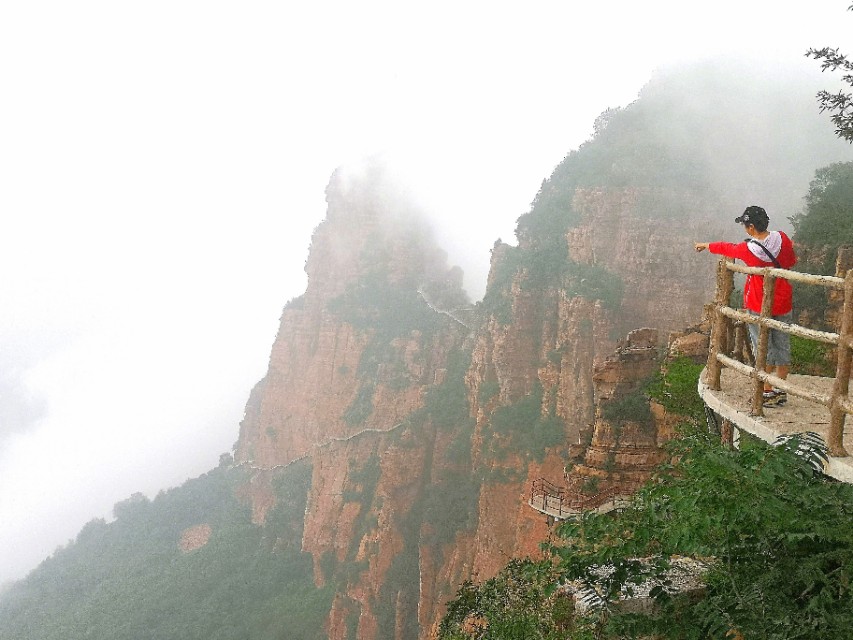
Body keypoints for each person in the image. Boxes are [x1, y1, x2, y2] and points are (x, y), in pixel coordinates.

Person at [694, 205, 797, 407]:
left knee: (763, 347)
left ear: (750, 227)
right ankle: (780, 390)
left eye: (745, 226)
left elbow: (727, 248)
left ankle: (767, 391)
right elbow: (791, 261)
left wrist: (705, 245)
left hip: (759, 303)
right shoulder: (783, 238)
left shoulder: (749, 249)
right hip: (783, 299)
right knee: (782, 345)